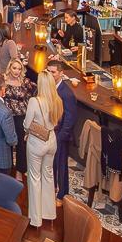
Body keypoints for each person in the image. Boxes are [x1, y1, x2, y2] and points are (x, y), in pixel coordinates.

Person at [24, 73, 63, 227]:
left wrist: (28, 130)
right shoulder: (57, 100)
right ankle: (49, 213)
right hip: (52, 140)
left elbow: (27, 124)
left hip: (37, 142)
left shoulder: (34, 101)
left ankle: (35, 219)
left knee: (34, 178)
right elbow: (57, 121)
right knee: (48, 176)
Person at [47, 60, 78, 200]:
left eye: (53, 72)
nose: (50, 74)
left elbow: (70, 119)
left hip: (60, 135)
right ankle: (51, 188)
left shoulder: (67, 94)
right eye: (48, 71)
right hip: (50, 132)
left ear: (61, 73)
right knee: (50, 163)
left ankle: (62, 194)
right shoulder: (48, 87)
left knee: (61, 166)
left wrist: (60, 137)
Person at [3, 59, 36, 175]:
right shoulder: (4, 81)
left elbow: (36, 91)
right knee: (7, 142)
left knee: (21, 143)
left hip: (21, 116)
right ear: (9, 68)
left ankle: (20, 170)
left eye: (19, 68)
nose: (17, 71)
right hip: (6, 116)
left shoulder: (25, 82)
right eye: (14, 68)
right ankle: (8, 167)